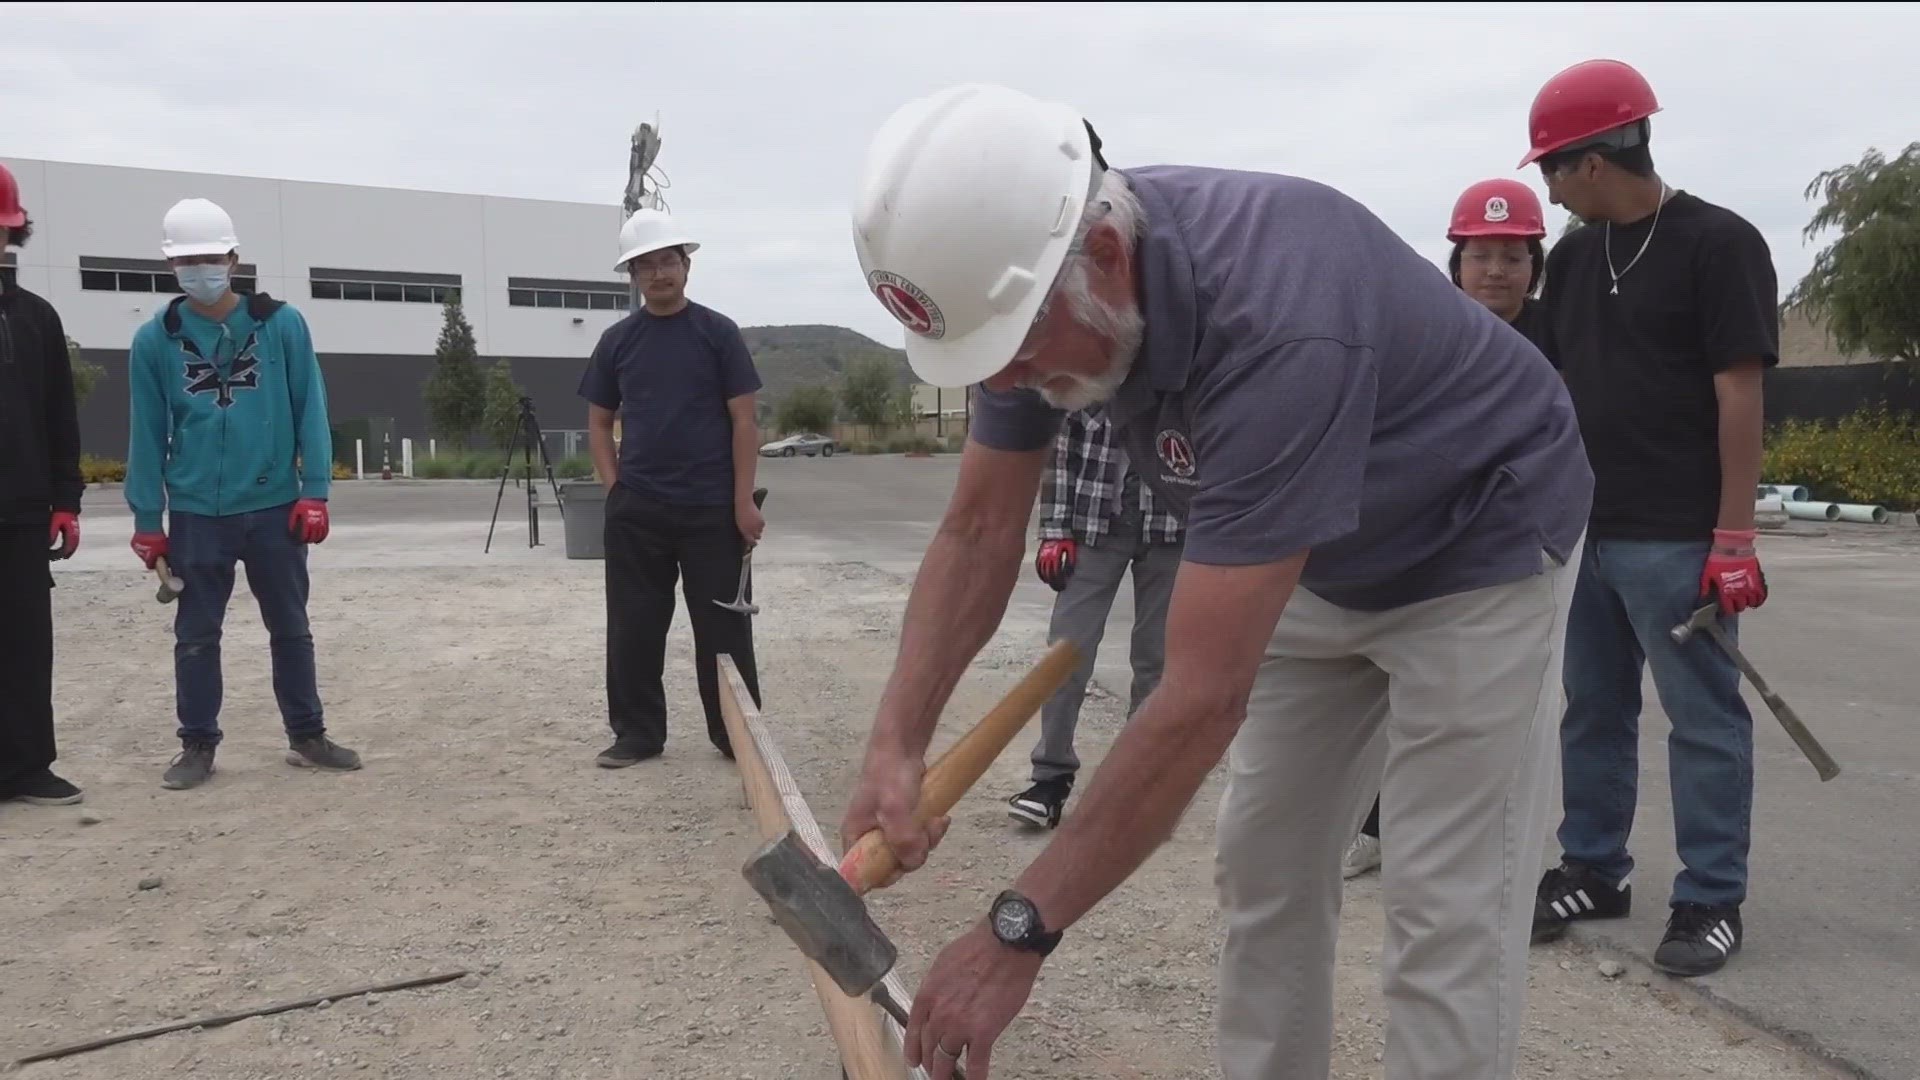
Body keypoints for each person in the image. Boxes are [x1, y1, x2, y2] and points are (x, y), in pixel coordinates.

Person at [838, 83, 1593, 1080]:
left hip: (1477, 549)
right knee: (1266, 867)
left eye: (1016, 356)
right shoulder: (1027, 296)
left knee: (1445, 900)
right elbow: (981, 526)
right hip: (1314, 559)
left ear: (1104, 257)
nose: (1010, 385)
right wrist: (898, 738)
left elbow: (1199, 701)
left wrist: (1016, 930)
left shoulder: (1280, 314)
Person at [1518, 59, 1778, 979]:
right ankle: (1594, 866)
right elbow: (1544, 383)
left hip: (1678, 535)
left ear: (1593, 162)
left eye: (1551, 167)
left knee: (1703, 717)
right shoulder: (1579, 259)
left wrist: (1735, 535)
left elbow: (1738, 389)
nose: (1545, 188)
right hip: (1586, 529)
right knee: (1592, 706)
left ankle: (1711, 896)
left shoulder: (1720, 243)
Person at [1343, 175, 1556, 881]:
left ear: (1535, 266)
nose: (1496, 269)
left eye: (1513, 255)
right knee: (1391, 699)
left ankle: (1482, 860)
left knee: (1492, 719)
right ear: (1455, 262)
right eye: (1481, 254)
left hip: (1513, 559)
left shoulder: (1560, 344)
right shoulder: (1418, 329)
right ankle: (1373, 828)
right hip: (1416, 543)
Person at [126, 197, 358, 790]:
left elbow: (311, 410)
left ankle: (306, 735)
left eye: (210, 258)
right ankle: (197, 745)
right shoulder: (156, 340)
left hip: (275, 504)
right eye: (186, 262)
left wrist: (316, 491)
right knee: (196, 634)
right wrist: (148, 518)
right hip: (199, 512)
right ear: (170, 266)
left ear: (233, 258)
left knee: (291, 626)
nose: (199, 272)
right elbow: (147, 433)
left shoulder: (281, 325)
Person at [579, 208, 765, 768]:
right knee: (633, 624)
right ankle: (637, 733)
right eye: (645, 266)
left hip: (711, 509)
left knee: (724, 629)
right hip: (640, 509)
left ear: (686, 266)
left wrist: (741, 503)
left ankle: (738, 735)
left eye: (667, 262)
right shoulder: (617, 342)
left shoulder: (718, 334)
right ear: (632, 275)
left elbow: (745, 423)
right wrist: (616, 490)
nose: (658, 274)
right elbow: (598, 422)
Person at [1007, 403, 1182, 829]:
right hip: (1095, 524)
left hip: (1173, 528)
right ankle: (1049, 780)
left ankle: (1136, 784)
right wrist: (1054, 531)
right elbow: (1062, 450)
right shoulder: (1096, 367)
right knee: (1066, 653)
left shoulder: (1187, 371)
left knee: (1156, 660)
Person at [0, 164, 85, 807]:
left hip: (23, 514)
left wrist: (66, 501)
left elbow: (60, 416)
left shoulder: (36, 318)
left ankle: (28, 767)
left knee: (26, 647)